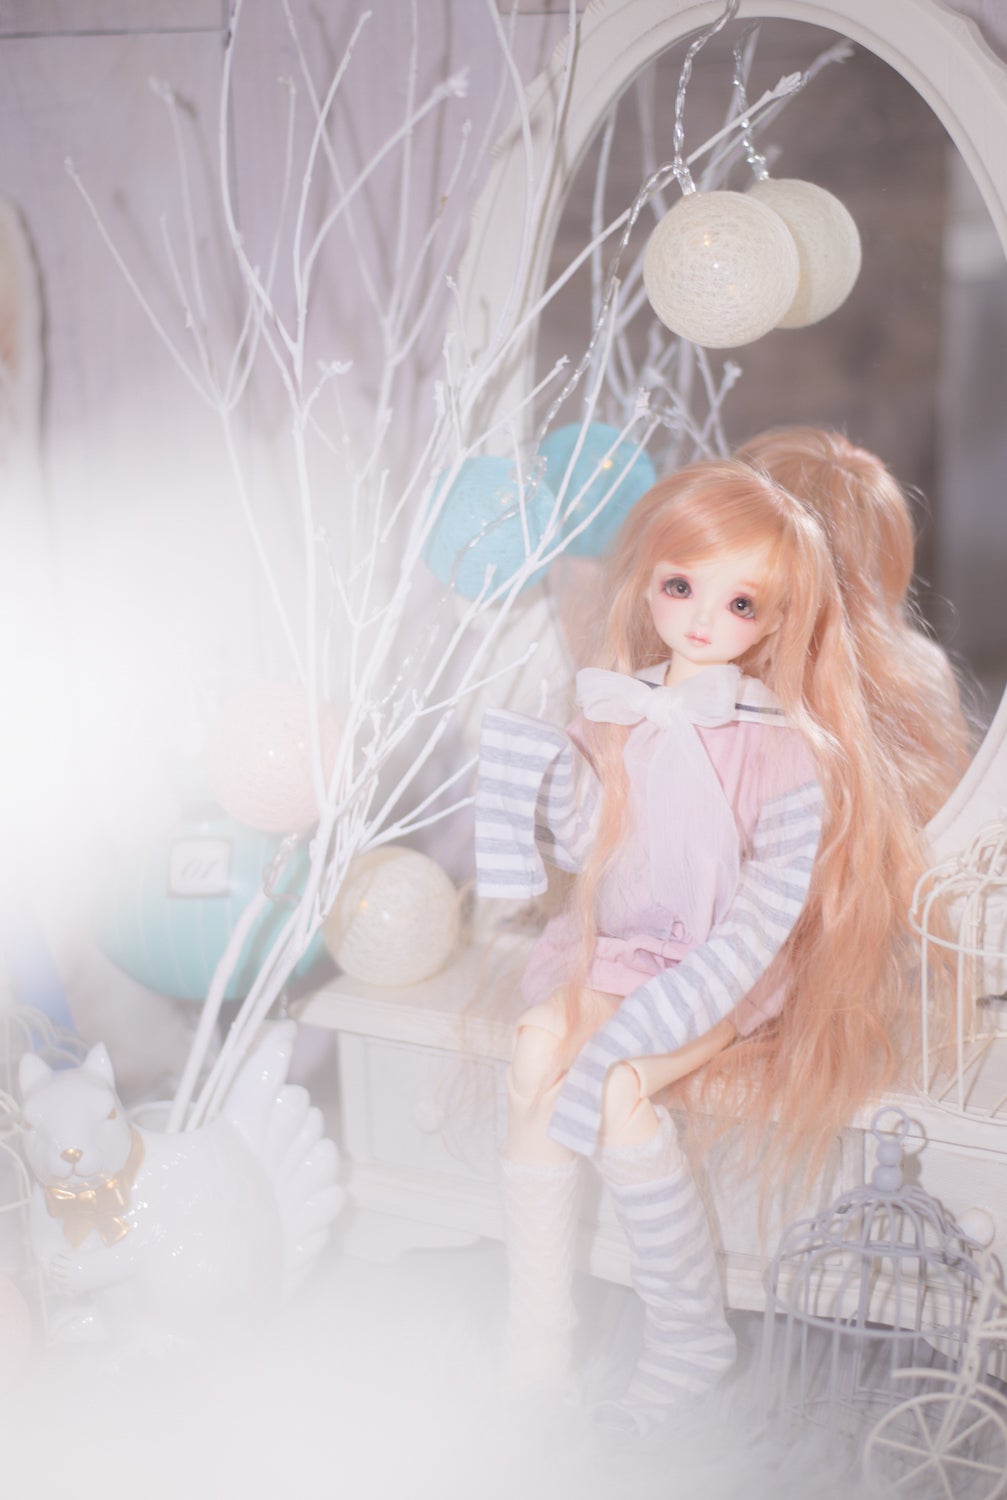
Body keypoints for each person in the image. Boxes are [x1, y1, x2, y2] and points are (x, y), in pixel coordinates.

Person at [474, 457, 922, 1435]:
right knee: (534, 1053)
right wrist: (525, 774)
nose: (704, 619)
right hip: (617, 949)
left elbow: (761, 921)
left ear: (776, 619)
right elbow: (580, 845)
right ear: (648, 582)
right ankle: (535, 1344)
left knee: (615, 1088)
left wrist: (648, 1022)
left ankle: (686, 1338)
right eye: (681, 586)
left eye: (740, 602)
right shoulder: (613, 707)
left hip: (723, 973)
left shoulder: (786, 749)